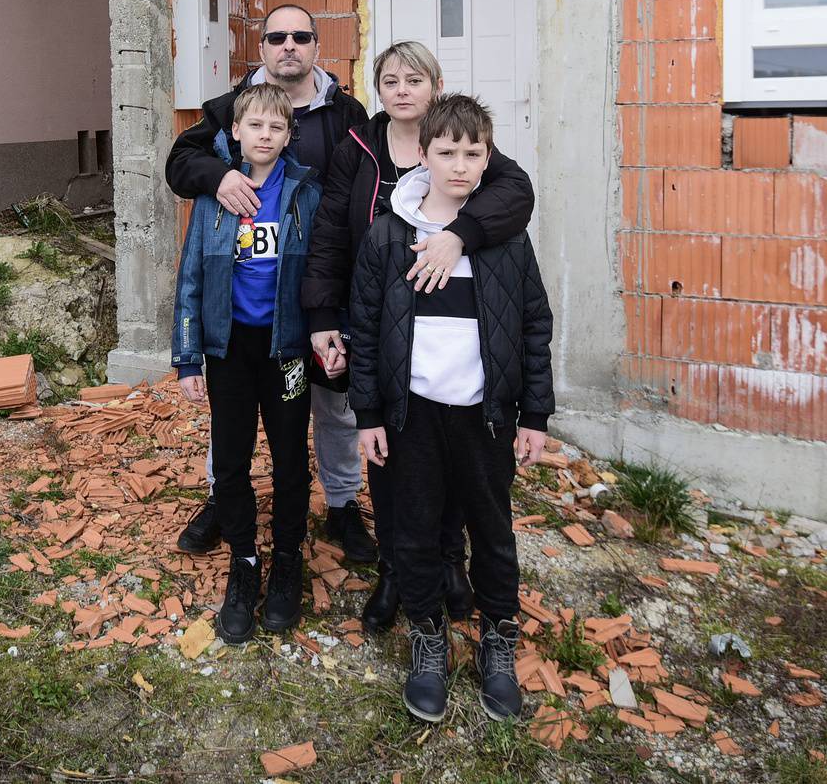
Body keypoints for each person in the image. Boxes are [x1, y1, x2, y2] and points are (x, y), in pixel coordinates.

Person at [302, 42, 535, 635]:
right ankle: (397, 570)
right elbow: (330, 231)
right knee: (397, 463)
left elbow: (517, 196)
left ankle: (450, 563)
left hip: (455, 334)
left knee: (452, 453)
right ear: (377, 89)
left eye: (415, 78)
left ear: (435, 85)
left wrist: (460, 235)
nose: (402, 89)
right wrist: (325, 313)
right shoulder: (359, 147)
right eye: (389, 79)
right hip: (381, 317)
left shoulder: (463, 146)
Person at [347, 94, 554, 724]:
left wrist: (535, 417)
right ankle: (428, 641)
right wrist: (370, 415)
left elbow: (533, 327)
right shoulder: (389, 235)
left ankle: (497, 642)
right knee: (410, 530)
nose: (461, 165)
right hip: (410, 416)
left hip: (483, 416)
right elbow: (365, 327)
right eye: (447, 151)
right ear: (423, 155)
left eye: (474, 152)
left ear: (489, 157)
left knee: (490, 531)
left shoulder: (504, 241)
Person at [164, 3, 379, 563]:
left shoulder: (347, 113)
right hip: (247, 310)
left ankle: (340, 503)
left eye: (301, 36)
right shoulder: (230, 108)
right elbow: (180, 161)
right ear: (261, 49)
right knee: (231, 418)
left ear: (315, 46)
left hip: (321, 294)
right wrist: (221, 174)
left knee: (333, 407)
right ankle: (223, 499)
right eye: (276, 36)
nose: (289, 45)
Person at [171, 83, 322, 644]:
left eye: (277, 128)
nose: (265, 135)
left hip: (286, 349)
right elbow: (190, 281)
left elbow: (322, 268)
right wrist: (188, 358)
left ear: (289, 136)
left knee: (288, 457)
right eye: (255, 126)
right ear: (235, 132)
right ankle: (244, 560)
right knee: (230, 459)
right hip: (229, 349)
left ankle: (286, 558)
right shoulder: (215, 197)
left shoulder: (305, 193)